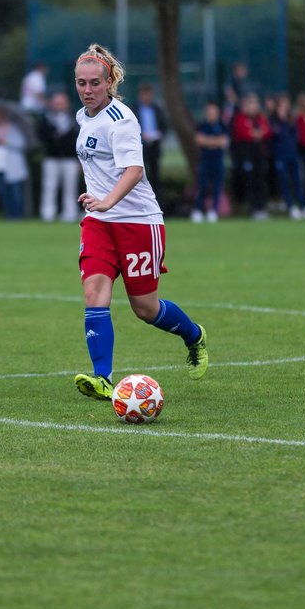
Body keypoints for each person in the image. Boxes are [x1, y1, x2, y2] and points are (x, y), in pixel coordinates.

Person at [69, 42, 208, 400]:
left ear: (109, 81)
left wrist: (107, 201)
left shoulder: (123, 119)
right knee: (93, 292)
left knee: (145, 309)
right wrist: (99, 207)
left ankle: (194, 335)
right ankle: (103, 379)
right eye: (81, 83)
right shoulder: (83, 117)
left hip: (138, 222)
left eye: (94, 83)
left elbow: (135, 169)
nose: (87, 90)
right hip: (99, 222)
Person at [36, 90, 81, 222]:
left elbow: (78, 140)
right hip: (51, 158)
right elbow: (41, 137)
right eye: (56, 103)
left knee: (70, 188)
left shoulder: (75, 119)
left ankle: (70, 213)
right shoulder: (46, 119)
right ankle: (48, 214)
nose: (59, 106)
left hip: (70, 159)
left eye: (61, 103)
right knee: (49, 186)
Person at [230, 92, 270, 219]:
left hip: (259, 154)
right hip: (246, 154)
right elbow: (243, 133)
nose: (253, 107)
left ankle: (261, 207)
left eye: (255, 104)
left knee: (260, 180)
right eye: (250, 104)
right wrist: (256, 134)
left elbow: (267, 131)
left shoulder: (260, 118)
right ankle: (253, 208)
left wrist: (256, 133)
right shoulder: (240, 118)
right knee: (250, 180)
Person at [270, 93, 305, 218]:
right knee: (284, 181)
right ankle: (290, 206)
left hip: (293, 154)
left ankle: (303, 205)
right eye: (281, 105)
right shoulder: (273, 120)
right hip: (280, 155)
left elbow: (295, 136)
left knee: (297, 180)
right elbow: (276, 135)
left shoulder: (291, 120)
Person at [191, 99, 227, 222]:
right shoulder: (202, 125)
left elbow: (224, 142)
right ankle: (198, 210)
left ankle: (214, 211)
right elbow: (200, 140)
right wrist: (214, 142)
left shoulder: (222, 125)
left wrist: (209, 141)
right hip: (205, 160)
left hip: (218, 160)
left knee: (217, 186)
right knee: (202, 185)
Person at [135, 83, 165, 188]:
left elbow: (164, 125)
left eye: (149, 94)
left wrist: (160, 134)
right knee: (140, 174)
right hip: (140, 147)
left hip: (154, 146)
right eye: (145, 94)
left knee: (155, 175)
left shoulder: (157, 109)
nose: (147, 97)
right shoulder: (134, 110)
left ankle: (158, 200)